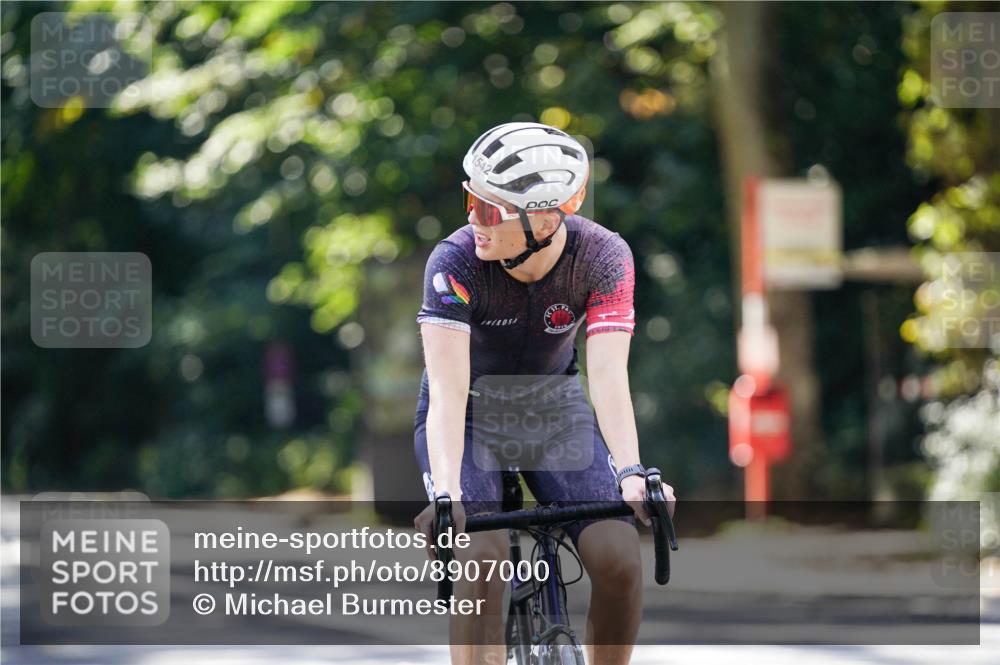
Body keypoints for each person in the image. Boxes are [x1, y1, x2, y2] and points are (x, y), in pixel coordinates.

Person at [413, 122, 676, 665]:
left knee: (619, 558)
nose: (470, 217)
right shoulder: (454, 261)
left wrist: (630, 472)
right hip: (468, 416)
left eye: (488, 209)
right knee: (482, 563)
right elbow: (446, 389)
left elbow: (607, 375)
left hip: (553, 412)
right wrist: (445, 493)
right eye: (470, 198)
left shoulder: (604, 256)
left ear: (549, 215)